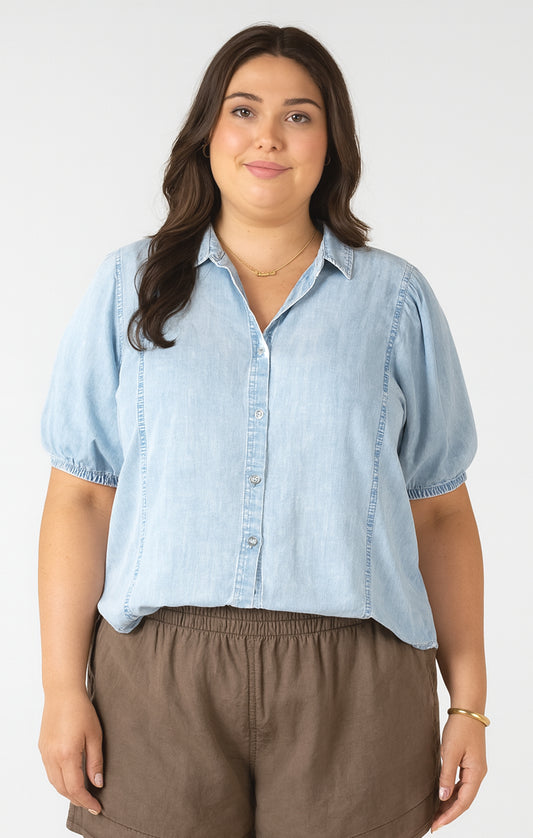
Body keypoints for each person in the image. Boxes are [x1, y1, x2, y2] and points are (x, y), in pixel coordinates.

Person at [38, 23, 488, 838]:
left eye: (300, 115)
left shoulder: (394, 301)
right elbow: (80, 500)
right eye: (243, 110)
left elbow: (441, 511)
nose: (268, 137)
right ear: (209, 129)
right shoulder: (128, 288)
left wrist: (470, 707)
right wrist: (63, 688)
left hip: (356, 682)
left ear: (331, 141)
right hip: (158, 676)